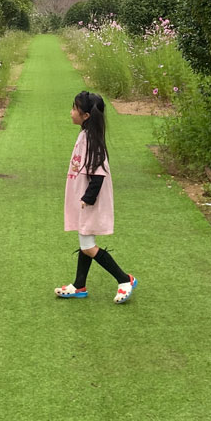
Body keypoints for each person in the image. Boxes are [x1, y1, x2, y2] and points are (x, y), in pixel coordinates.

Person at [54, 91, 136, 304]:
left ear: (86, 116)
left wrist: (87, 199)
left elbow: (98, 175)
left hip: (90, 200)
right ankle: (79, 284)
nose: (71, 112)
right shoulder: (85, 134)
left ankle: (124, 279)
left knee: (88, 245)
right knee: (85, 240)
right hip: (83, 199)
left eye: (75, 109)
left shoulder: (92, 141)